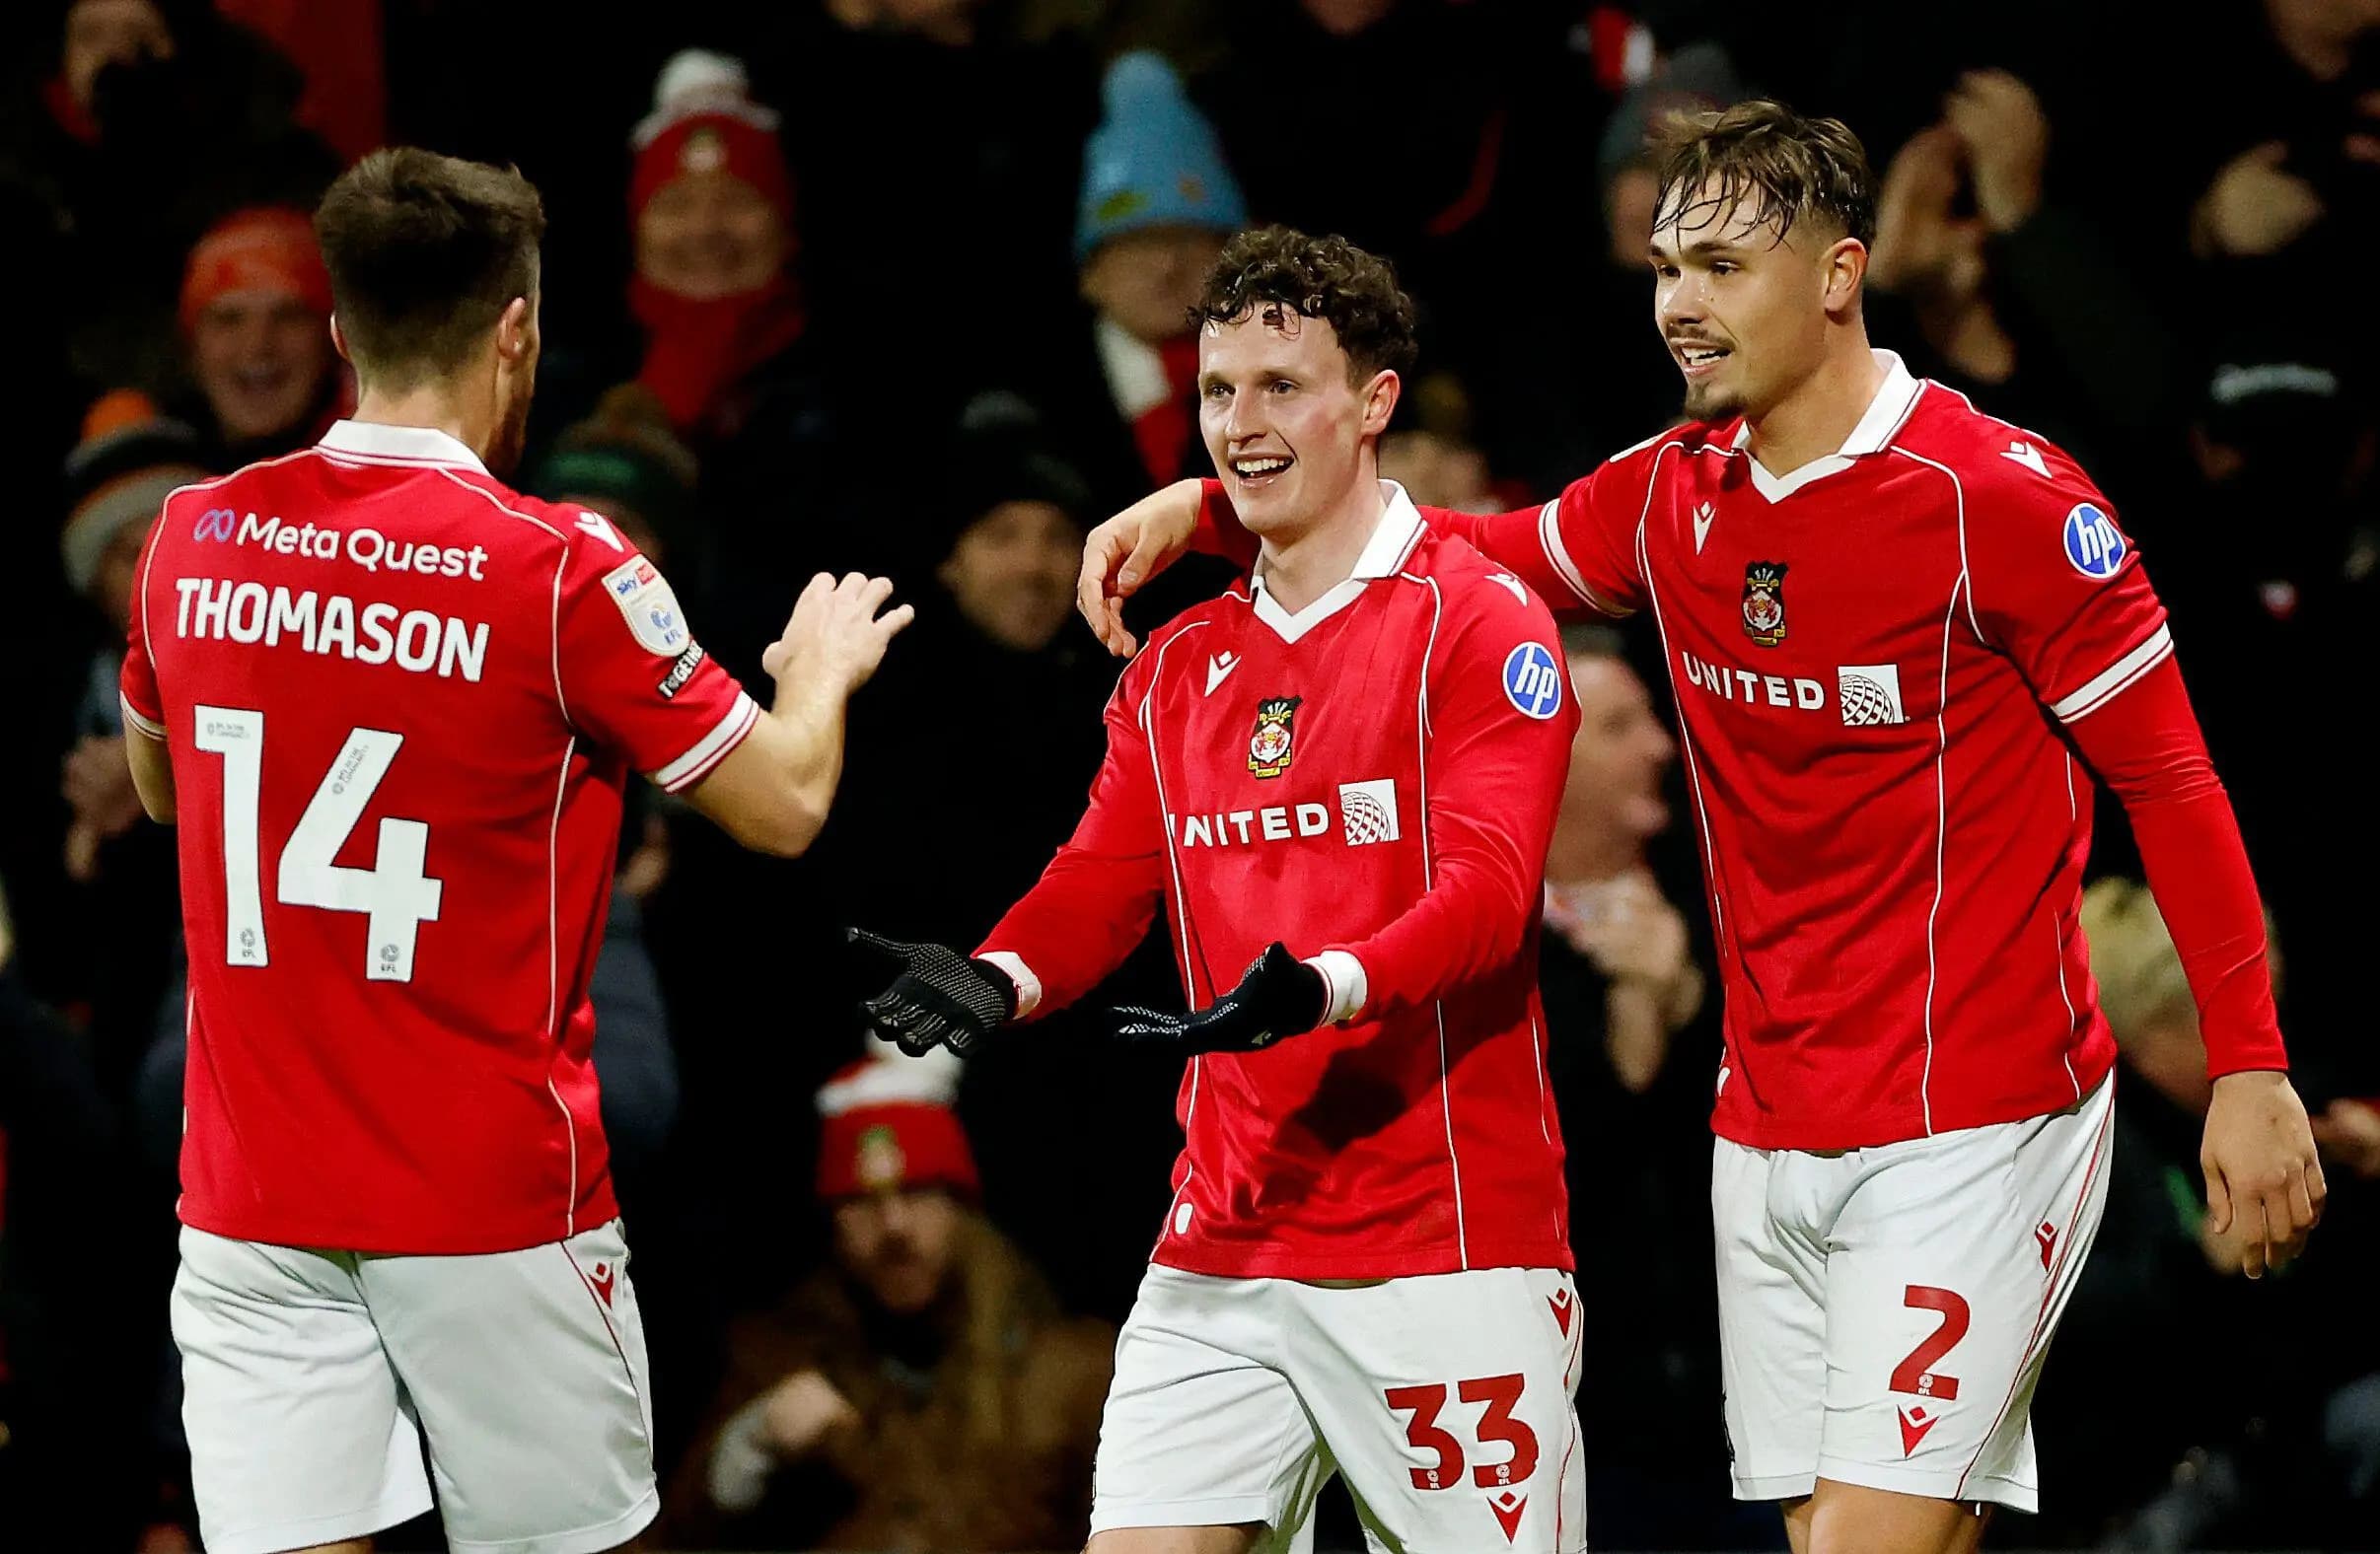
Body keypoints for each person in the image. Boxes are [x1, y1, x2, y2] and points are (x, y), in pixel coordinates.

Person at [1076, 104, 2328, 1553]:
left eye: (1723, 266)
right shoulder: (1672, 497)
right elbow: (1450, 551)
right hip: (1767, 1125)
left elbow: (2170, 778)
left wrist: (2248, 1065)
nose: (1678, 303)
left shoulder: (2002, 503)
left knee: (1871, 1540)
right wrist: (1222, 508)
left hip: (1978, 1119)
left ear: (1839, 275)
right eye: (1668, 266)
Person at [115, 147, 912, 1554]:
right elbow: (784, 807)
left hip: (249, 1205)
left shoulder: (193, 532)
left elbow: (166, 793)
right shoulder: (563, 569)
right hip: (492, 1211)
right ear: (518, 328)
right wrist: (824, 672)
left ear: (342, 334)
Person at [854, 227, 1588, 1552]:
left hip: (1447, 1244)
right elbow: (1101, 880)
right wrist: (997, 976)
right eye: (1216, 390)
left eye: (1280, 387)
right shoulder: (1178, 661)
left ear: (1373, 405)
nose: (1240, 426)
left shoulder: (1477, 622)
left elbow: (1489, 896)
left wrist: (1325, 987)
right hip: (1227, 1241)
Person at [666, 1051, 1114, 1552]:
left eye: (918, 1191)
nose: (895, 1226)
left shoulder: (1071, 1373)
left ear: (959, 1206)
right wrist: (747, 1448)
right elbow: (676, 1536)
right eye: (862, 1201)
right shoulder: (776, 1360)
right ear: (832, 1222)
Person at [171, 205, 348, 465]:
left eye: (288, 316)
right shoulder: (149, 467)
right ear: (193, 346)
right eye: (229, 319)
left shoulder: (390, 468)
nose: (257, 346)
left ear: (334, 338)